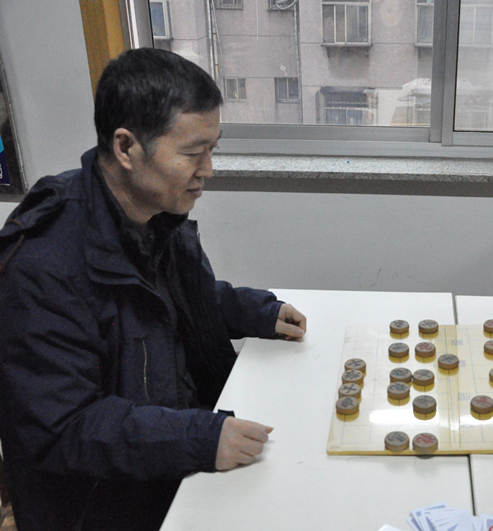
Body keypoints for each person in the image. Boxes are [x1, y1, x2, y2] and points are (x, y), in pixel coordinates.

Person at [0, 48, 307, 531]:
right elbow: (64, 426)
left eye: (213, 149)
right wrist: (195, 438)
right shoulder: (43, 264)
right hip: (103, 503)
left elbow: (164, 304)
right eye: (192, 153)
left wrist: (249, 309)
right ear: (126, 148)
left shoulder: (154, 212)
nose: (208, 170)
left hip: (168, 460)